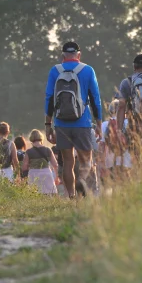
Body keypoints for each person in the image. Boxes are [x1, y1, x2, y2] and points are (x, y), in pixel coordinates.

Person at [44, 42, 103, 198]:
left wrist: (48, 125)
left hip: (61, 123)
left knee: (68, 162)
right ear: (79, 54)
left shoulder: (54, 71)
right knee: (86, 161)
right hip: (83, 123)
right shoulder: (88, 70)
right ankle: (82, 183)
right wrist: (98, 123)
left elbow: (49, 99)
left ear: (63, 55)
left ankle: (71, 196)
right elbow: (95, 99)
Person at [21, 130, 58, 195]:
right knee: (49, 195)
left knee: (35, 194)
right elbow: (55, 165)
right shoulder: (48, 150)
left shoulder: (29, 152)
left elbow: (24, 167)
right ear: (41, 138)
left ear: (31, 138)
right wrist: (57, 177)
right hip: (46, 173)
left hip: (33, 174)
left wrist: (24, 179)